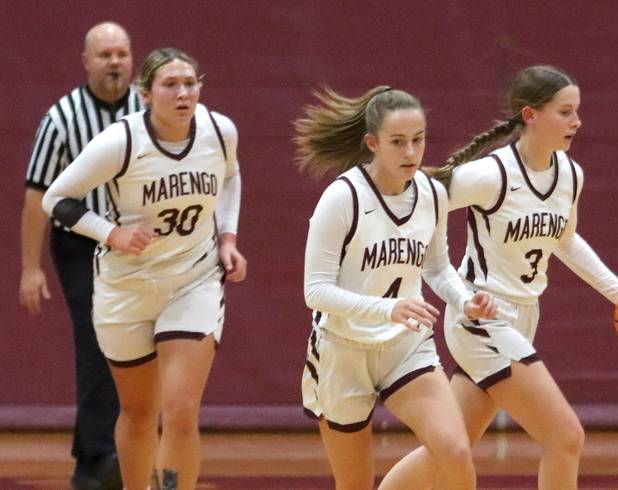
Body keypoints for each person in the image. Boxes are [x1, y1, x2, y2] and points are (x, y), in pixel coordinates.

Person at [378, 65, 618, 489]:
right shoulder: (491, 175)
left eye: (577, 111)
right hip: (482, 317)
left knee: (450, 448)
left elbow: (565, 242)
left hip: (525, 316)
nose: (577, 121)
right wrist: (432, 279)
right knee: (566, 437)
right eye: (565, 112)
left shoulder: (570, 175)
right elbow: (419, 201)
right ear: (530, 115)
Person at [42, 47, 246, 490]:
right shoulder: (122, 141)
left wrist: (227, 238)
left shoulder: (218, 130)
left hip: (193, 279)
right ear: (146, 94)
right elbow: (55, 198)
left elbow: (230, 176)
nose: (182, 93)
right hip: (127, 286)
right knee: (138, 413)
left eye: (190, 84)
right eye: (170, 85)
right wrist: (111, 234)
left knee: (180, 413)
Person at [294, 86, 498, 490]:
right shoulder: (342, 197)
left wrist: (464, 300)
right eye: (398, 142)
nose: (411, 152)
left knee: (456, 453)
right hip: (343, 349)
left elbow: (437, 267)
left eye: (418, 140)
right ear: (372, 143)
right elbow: (314, 292)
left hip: (406, 346)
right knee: (354, 484)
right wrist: (387, 308)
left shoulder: (432, 194)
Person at [19, 21, 142, 490]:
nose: (115, 62)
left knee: (135, 344)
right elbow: (37, 196)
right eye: (105, 54)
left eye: (122, 53)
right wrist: (31, 269)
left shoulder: (147, 110)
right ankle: (98, 459)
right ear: (86, 61)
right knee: (97, 343)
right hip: (79, 241)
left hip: (134, 242)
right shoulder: (61, 118)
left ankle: (107, 452)